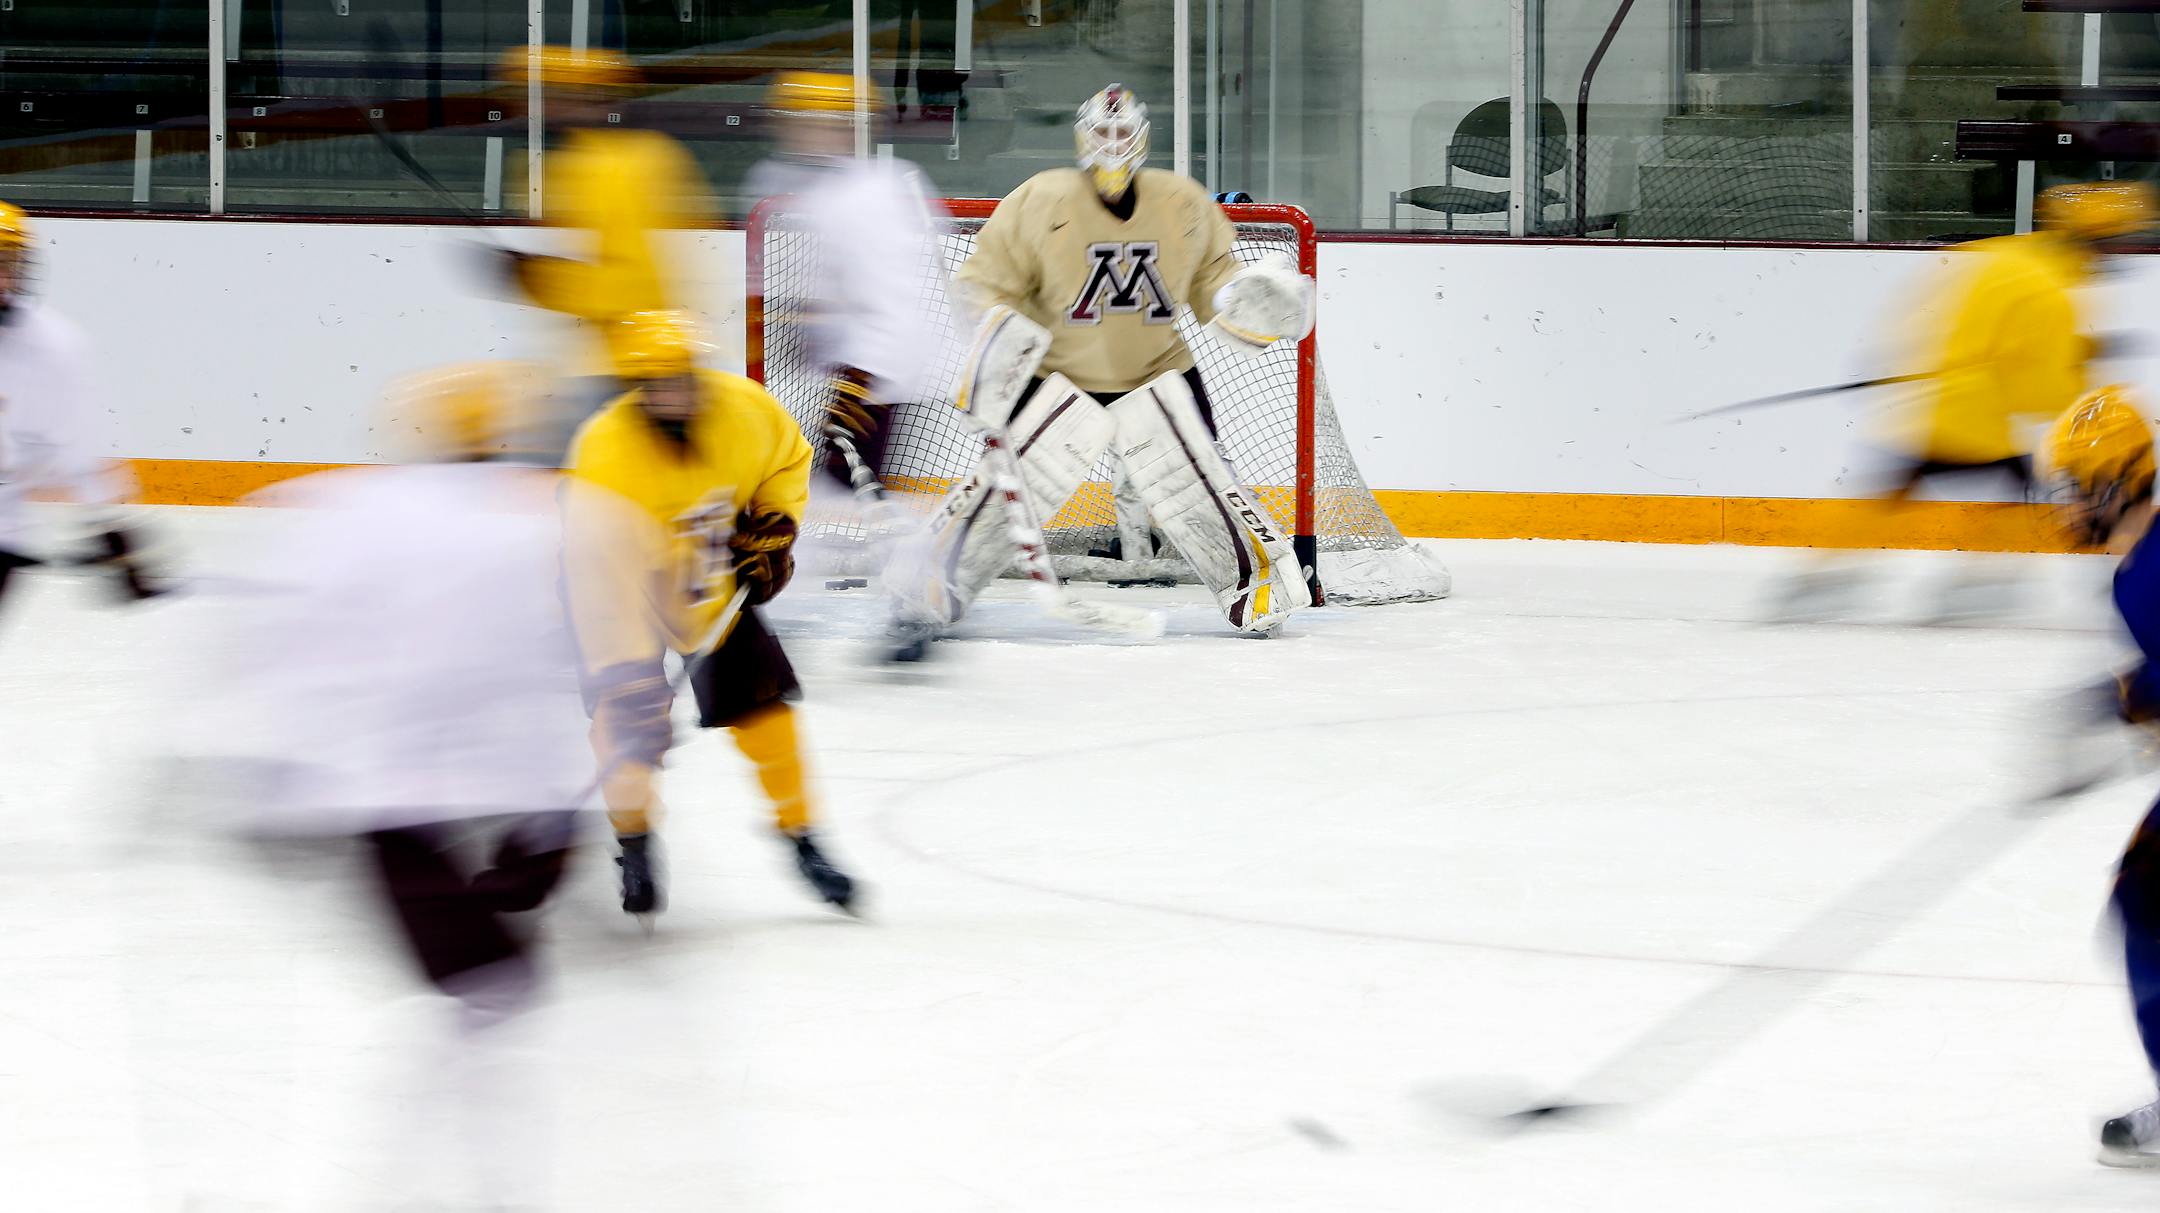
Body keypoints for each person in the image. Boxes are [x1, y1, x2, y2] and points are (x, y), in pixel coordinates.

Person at [240, 362, 588, 1205]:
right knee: (493, 994)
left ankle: (431, 1176)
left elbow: (292, 651)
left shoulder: (347, 514)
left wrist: (273, 786)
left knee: (484, 995)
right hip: (490, 800)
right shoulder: (535, 522)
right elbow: (558, 674)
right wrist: (559, 821)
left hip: (384, 801)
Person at [889, 82, 1315, 646]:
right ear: (1080, 136)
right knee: (1006, 485)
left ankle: (1258, 586)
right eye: (1101, 131)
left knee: (1204, 483)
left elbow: (1213, 277)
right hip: (1058, 375)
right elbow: (985, 282)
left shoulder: (1182, 201)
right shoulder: (1040, 198)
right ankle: (931, 583)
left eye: (1122, 131)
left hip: (1157, 370)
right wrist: (998, 343)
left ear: (1142, 137)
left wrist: (1239, 296)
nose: (1112, 143)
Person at [562, 309, 858, 917]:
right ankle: (636, 842)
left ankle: (803, 837)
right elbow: (594, 580)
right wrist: (627, 674)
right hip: (622, 601)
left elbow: (787, 463)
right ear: (635, 389)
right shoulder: (604, 453)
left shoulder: (746, 409)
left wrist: (777, 523)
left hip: (716, 589)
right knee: (625, 730)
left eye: (683, 376)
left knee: (767, 714)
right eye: (658, 383)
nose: (675, 392)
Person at [1778, 179, 2158, 620]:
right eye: (2112, 244)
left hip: (1933, 399)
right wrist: (2080, 378)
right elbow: (2042, 385)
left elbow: (1976, 323)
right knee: (2021, 490)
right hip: (1975, 415)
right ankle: (1979, 583)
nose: (2114, 255)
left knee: (1892, 488)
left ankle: (1818, 574)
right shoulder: (2053, 292)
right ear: (2093, 241)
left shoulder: (2010, 256)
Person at [2031, 385, 2160, 1166]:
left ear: (2116, 482)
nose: (2067, 501)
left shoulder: (2144, 576)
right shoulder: (2142, 568)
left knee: (2145, 906)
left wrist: (2115, 700)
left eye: (2078, 483)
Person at [493, 45, 714, 453]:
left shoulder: (610, 167)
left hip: (632, 364)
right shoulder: (610, 158)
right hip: (624, 358)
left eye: (539, 94)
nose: (524, 104)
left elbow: (627, 280)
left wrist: (534, 276)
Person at [743, 70, 947, 496]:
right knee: (844, 482)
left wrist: (857, 375)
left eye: (814, 122)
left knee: (845, 486)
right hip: (864, 364)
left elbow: (887, 295)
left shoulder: (868, 192)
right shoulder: (839, 185)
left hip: (873, 365)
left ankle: (876, 554)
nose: (800, 133)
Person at [0, 200, 162, 614]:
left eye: (8, 261)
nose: (2, 276)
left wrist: (110, 532)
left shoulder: (52, 347)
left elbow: (77, 446)